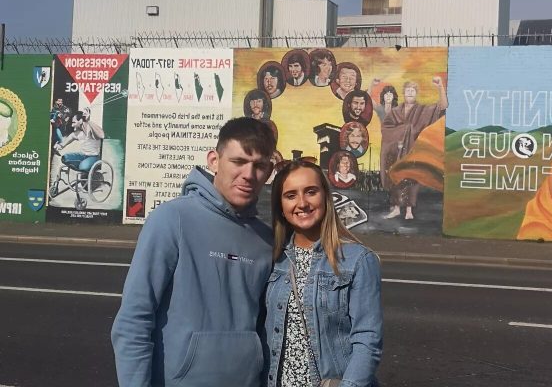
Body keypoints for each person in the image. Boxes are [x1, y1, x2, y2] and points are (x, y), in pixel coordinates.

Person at [111, 118, 277, 387]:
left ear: (269, 171)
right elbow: (133, 321)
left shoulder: (265, 240)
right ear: (214, 160)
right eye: (238, 162)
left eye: (259, 166)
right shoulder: (172, 218)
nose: (248, 174)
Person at [263, 160, 383, 387]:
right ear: (280, 206)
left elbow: (367, 340)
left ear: (326, 197)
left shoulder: (357, 260)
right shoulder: (272, 259)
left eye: (311, 192)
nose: (302, 203)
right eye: (290, 195)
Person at [381, 77, 448, 220]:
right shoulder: (395, 111)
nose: (410, 92)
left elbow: (443, 106)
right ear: (404, 93)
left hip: (413, 150)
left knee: (411, 178)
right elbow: (386, 127)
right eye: (408, 90)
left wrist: (440, 87)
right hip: (396, 151)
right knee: (396, 177)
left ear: (416, 93)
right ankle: (397, 208)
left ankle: (409, 210)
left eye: (413, 90)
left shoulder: (423, 110)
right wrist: (403, 132)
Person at [54, 108, 105, 172]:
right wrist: (58, 146)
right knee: (65, 158)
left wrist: (87, 121)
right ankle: (83, 169)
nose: (72, 125)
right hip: (83, 156)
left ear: (80, 121)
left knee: (83, 166)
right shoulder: (77, 134)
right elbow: (63, 144)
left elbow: (102, 135)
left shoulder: (91, 130)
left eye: (74, 122)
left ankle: (84, 169)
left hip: (93, 157)